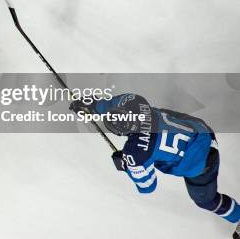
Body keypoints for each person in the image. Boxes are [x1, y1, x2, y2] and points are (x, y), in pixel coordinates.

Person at [71, 93, 240, 238]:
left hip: (202, 161)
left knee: (206, 201)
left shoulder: (135, 154)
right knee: (161, 117)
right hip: (200, 129)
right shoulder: (136, 102)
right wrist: (93, 105)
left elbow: (147, 186)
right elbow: (111, 103)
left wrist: (126, 165)